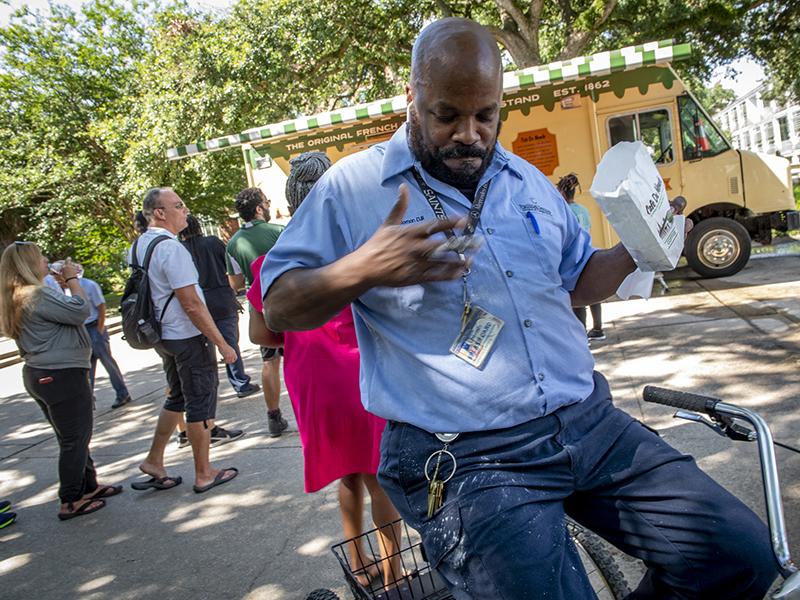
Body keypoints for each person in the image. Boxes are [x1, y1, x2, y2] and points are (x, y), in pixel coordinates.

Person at [259, 18, 776, 600]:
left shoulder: (528, 182)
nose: (469, 133)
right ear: (412, 97)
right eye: (447, 115)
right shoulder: (352, 188)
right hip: (468, 457)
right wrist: (363, 268)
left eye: (486, 114)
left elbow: (578, 278)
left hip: (589, 423)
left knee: (739, 556)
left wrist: (639, 247)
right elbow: (275, 308)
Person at [248, 152, 402, 586]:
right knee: (380, 478)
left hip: (312, 377)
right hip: (359, 373)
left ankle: (359, 562)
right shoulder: (357, 246)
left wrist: (298, 334)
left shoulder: (270, 262)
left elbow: (261, 334)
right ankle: (393, 574)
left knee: (348, 475)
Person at [0, 243, 122, 520]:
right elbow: (80, 311)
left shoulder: (19, 295)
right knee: (74, 438)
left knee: (74, 436)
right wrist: (71, 280)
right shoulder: (34, 295)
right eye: (40, 257)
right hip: (60, 374)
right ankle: (70, 500)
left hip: (44, 372)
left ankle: (87, 486)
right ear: (29, 264)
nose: (46, 260)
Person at [129, 188, 239, 494]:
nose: (185, 210)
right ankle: (204, 473)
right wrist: (222, 343)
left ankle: (154, 459)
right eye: (178, 206)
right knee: (199, 403)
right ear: (159, 212)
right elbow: (191, 303)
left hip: (163, 335)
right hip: (187, 336)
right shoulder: (171, 249)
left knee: (176, 396)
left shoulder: (139, 245)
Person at [178, 214, 253, 446]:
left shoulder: (180, 249)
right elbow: (228, 268)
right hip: (221, 297)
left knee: (209, 349)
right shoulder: (213, 243)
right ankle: (239, 381)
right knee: (230, 343)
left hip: (200, 301)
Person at [225, 188, 288, 437]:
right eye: (266, 201)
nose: (269, 205)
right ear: (259, 208)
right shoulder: (280, 232)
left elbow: (235, 284)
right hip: (286, 301)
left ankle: (273, 416)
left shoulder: (232, 244)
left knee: (269, 361)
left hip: (259, 306)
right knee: (295, 357)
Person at [557, 173, 605, 341]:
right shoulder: (583, 210)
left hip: (573, 259)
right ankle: (598, 329)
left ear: (562, 192)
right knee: (593, 294)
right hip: (588, 253)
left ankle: (581, 334)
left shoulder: (563, 211)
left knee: (578, 298)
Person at [76, 273, 132, 409]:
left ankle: (122, 393)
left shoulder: (89, 285)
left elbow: (101, 306)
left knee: (107, 362)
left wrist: (100, 329)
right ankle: (88, 401)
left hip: (94, 327)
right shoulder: (64, 290)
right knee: (86, 367)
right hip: (82, 330)